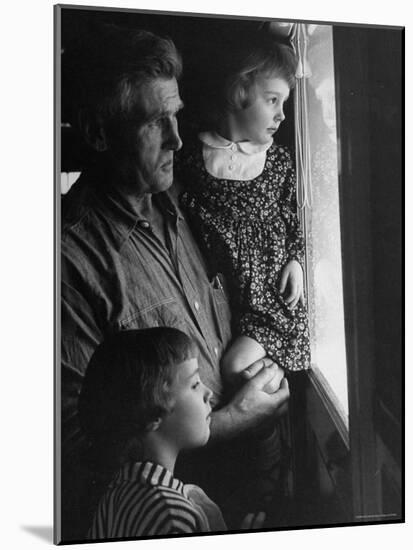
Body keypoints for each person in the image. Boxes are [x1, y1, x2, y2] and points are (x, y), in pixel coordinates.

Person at [61, 25, 289, 541]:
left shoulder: (187, 200)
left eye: (177, 115)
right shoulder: (68, 260)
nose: (178, 138)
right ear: (99, 134)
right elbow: (79, 446)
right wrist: (233, 418)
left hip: (246, 497)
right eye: (153, 123)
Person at [176, 32, 311, 388]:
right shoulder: (191, 157)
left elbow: (296, 216)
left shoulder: (277, 163)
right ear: (239, 92)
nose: (282, 115)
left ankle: (273, 383)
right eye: (272, 100)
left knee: (237, 369)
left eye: (284, 102)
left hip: (270, 302)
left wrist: (296, 259)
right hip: (223, 304)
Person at [79, 327, 266, 539]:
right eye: (195, 384)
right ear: (152, 415)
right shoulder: (173, 518)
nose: (208, 392)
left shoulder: (118, 493)